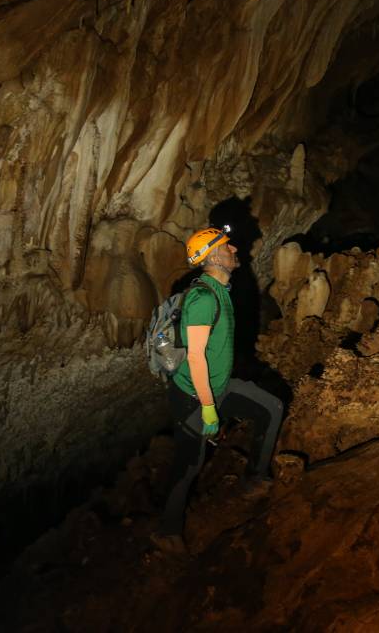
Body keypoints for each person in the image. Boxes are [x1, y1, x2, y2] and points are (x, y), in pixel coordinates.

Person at [153, 226, 284, 553]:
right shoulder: (202, 298)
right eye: (227, 246)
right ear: (213, 256)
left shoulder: (219, 290)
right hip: (194, 398)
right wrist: (210, 408)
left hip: (218, 388)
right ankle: (167, 532)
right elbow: (196, 357)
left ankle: (254, 478)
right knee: (189, 466)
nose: (234, 248)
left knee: (271, 408)